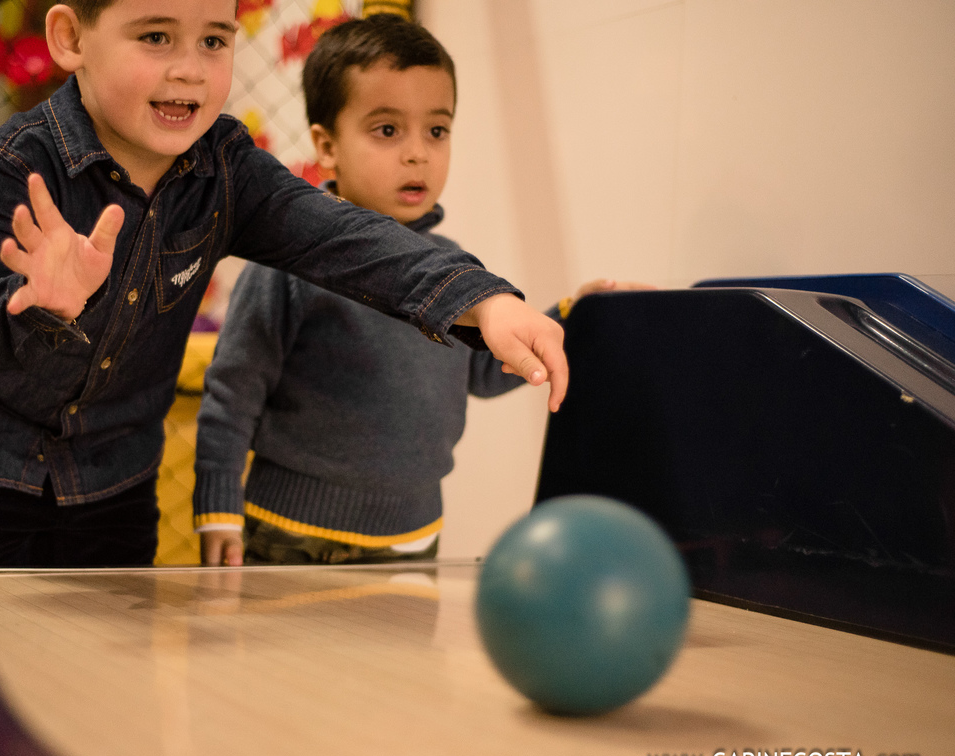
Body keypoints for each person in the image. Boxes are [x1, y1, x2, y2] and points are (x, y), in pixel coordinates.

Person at [0, 0, 569, 568]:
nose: (189, 69)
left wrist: (485, 300)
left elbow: (344, 237)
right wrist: (39, 306)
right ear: (71, 39)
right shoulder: (19, 159)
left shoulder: (228, 167)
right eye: (156, 36)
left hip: (110, 487)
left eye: (213, 40)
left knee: (100, 700)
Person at [192, 15, 649, 568]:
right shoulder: (287, 264)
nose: (418, 154)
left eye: (437, 130)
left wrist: (577, 314)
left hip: (414, 538)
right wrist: (217, 506)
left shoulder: (454, 271)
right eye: (387, 130)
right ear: (327, 145)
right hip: (293, 534)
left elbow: (482, 371)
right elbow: (232, 392)